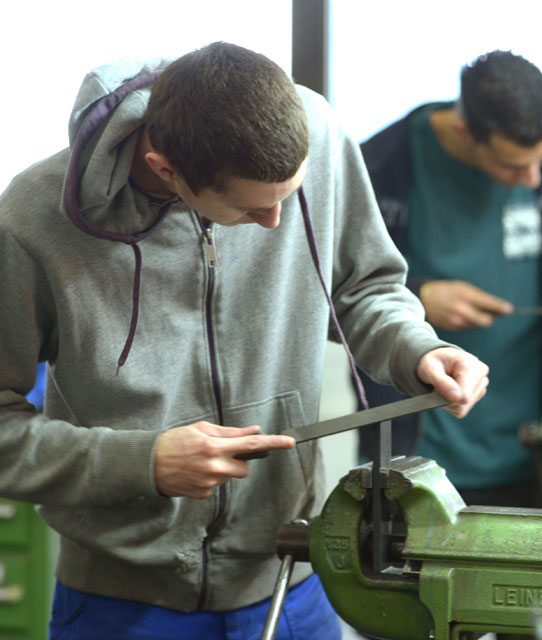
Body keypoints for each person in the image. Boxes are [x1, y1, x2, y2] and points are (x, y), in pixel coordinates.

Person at [0, 42, 489, 640]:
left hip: (295, 578)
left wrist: (419, 348)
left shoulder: (319, 134)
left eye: (291, 198)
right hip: (123, 604)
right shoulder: (32, 222)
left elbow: (365, 287)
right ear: (165, 169)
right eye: (252, 211)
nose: (276, 225)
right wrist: (141, 463)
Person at [356, 50, 542, 511]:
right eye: (512, 167)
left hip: (532, 453)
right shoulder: (383, 164)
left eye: (540, 160)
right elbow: (338, 290)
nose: (532, 178)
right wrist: (420, 295)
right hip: (416, 461)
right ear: (464, 131)